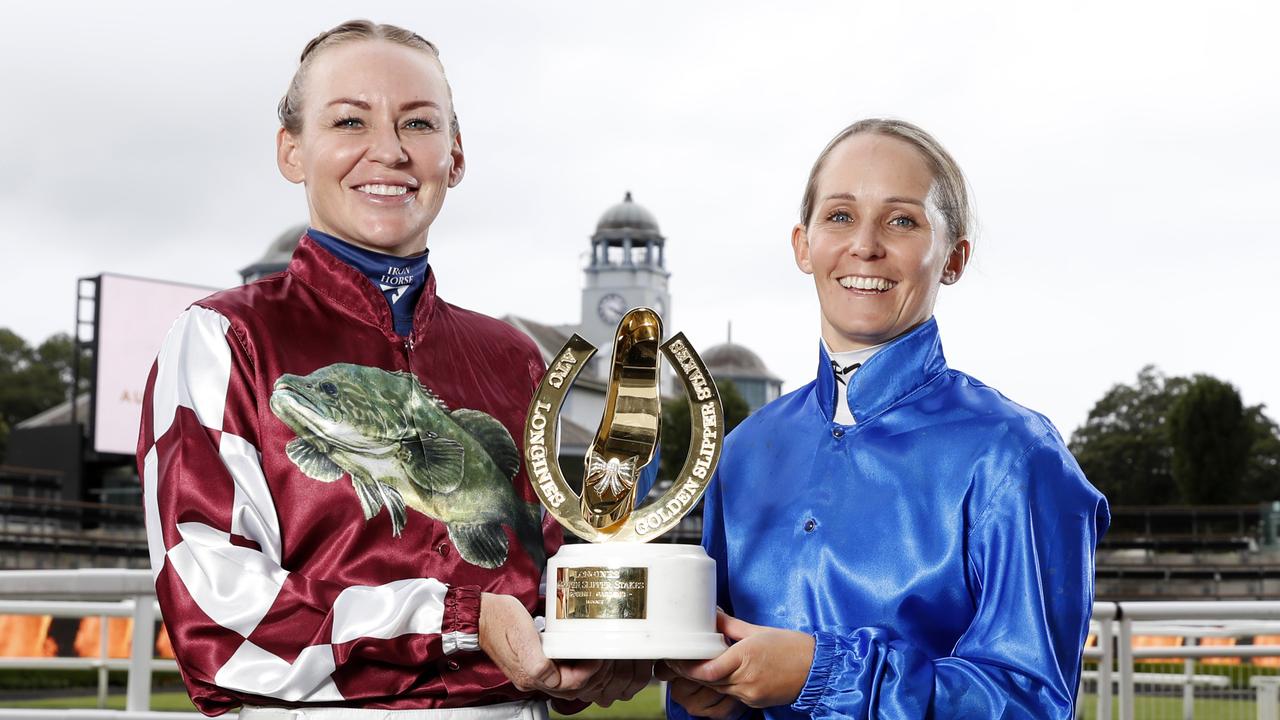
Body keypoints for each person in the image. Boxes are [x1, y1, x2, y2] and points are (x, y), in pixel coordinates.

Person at [137, 20, 648, 719]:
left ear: (455, 156)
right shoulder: (222, 339)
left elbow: (544, 569)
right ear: (292, 150)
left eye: (418, 122)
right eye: (350, 119)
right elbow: (214, 618)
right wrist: (457, 619)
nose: (389, 150)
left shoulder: (515, 357)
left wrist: (609, 644)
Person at [662, 119, 1109, 719]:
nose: (865, 245)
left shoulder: (1016, 455)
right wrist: (712, 697)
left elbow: (1032, 702)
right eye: (840, 216)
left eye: (902, 220)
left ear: (953, 258)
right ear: (803, 244)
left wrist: (822, 675)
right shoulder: (743, 450)